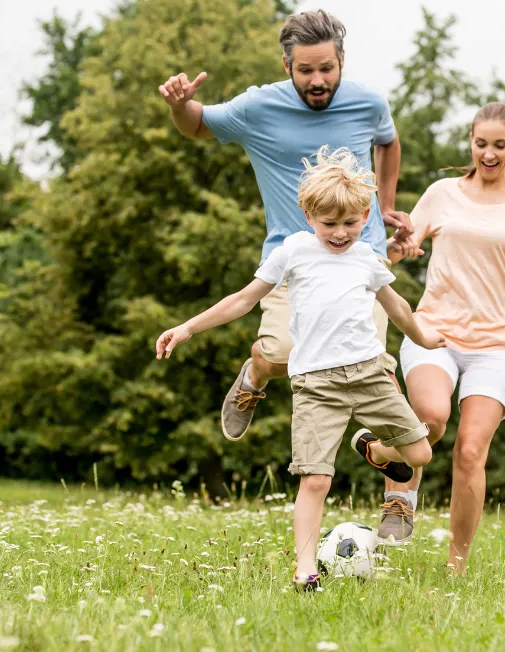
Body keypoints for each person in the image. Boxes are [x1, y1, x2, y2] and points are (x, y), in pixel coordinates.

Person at [154, 147, 443, 590]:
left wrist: (426, 339)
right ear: (308, 214)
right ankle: (305, 568)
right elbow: (243, 299)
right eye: (330, 224)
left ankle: (372, 448)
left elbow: (398, 307)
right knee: (315, 479)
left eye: (350, 223)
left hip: (368, 375)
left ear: (366, 215)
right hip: (316, 386)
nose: (341, 233)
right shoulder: (294, 252)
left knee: (420, 453)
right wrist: (188, 327)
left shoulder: (367, 258)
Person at [158, 9, 411, 442]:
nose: (317, 81)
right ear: (287, 66)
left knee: (378, 372)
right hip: (292, 262)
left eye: (326, 69)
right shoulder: (258, 107)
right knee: (282, 356)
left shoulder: (368, 103)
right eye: (306, 70)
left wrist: (384, 206)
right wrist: (180, 105)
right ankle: (255, 373)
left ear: (342, 61)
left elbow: (387, 140)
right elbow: (197, 125)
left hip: (361, 256)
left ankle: (399, 503)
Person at [375, 102, 505, 571]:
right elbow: (397, 252)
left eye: (499, 145)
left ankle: (456, 565)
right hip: (435, 330)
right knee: (431, 416)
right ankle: (398, 487)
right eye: (480, 143)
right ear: (471, 141)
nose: (488, 153)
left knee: (469, 452)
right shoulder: (443, 193)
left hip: (497, 345)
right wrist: (398, 248)